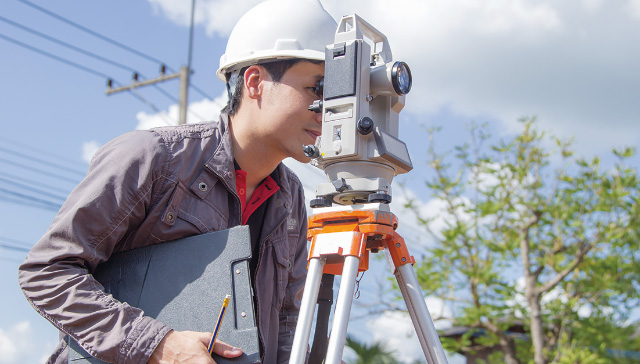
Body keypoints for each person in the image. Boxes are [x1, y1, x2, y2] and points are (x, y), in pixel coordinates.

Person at [17, 0, 337, 363]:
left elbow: (286, 323)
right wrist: (157, 344)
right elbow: (47, 272)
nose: (328, 109)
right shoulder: (153, 158)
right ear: (255, 82)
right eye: (318, 88)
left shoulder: (291, 199)